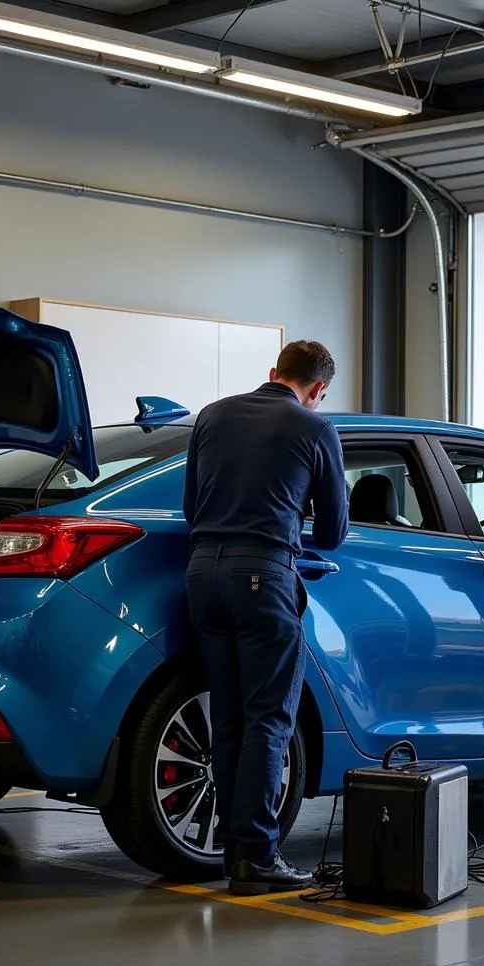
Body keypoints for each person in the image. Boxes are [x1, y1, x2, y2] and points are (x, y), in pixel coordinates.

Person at [182, 340, 348, 894]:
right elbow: (332, 533)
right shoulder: (313, 428)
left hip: (202, 575)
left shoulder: (212, 415)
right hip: (263, 577)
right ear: (318, 390)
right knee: (269, 719)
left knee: (226, 717)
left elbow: (191, 508)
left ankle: (235, 853)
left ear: (273, 372)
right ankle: (256, 856)